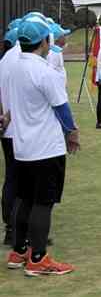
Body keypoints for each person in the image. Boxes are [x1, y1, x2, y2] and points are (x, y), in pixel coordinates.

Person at [4, 16, 79, 276]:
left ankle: (18, 251)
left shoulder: (14, 67)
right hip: (46, 147)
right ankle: (38, 258)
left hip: (22, 146)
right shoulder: (44, 71)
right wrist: (73, 133)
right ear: (44, 42)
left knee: (24, 199)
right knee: (43, 203)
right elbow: (62, 108)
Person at [0, 24, 21, 246]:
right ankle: (15, 230)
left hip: (7, 130)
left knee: (11, 179)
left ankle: (11, 227)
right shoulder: (19, 61)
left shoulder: (5, 60)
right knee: (21, 182)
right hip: (19, 130)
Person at [46, 24, 70, 89]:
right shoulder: (54, 53)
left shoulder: (57, 51)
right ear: (57, 38)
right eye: (63, 35)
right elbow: (50, 73)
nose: (65, 37)